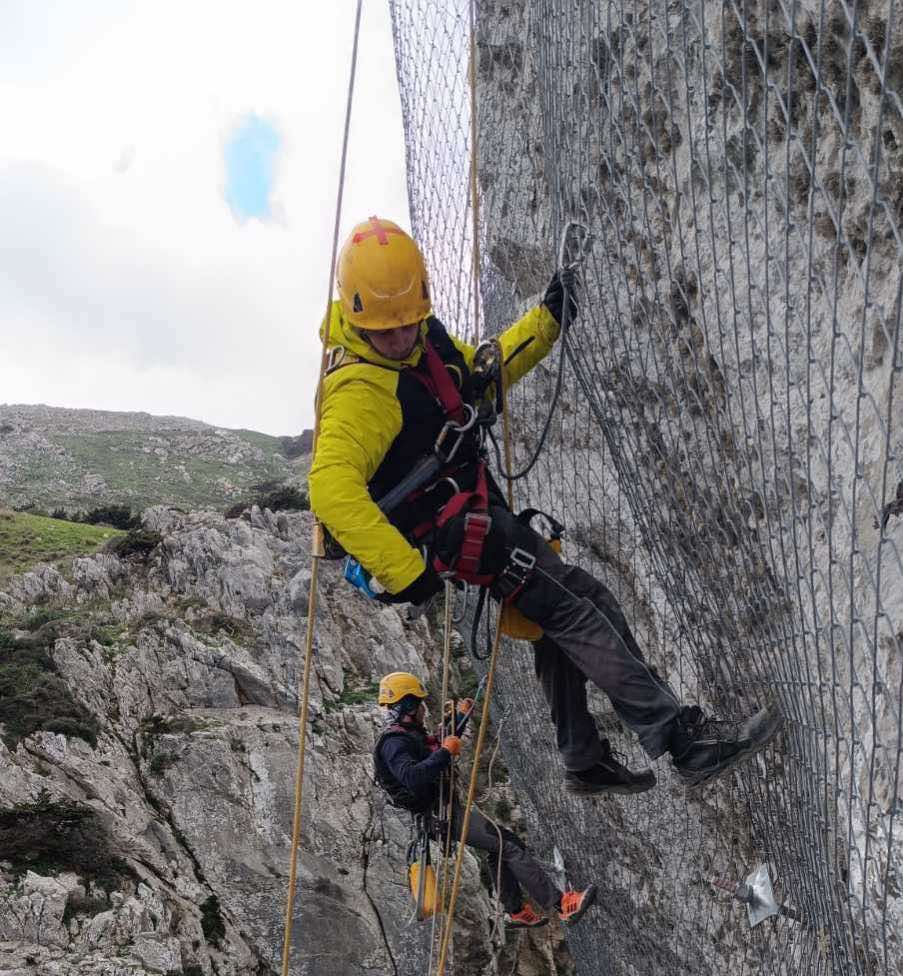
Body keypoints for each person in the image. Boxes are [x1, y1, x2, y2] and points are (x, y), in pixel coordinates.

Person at [310, 217, 782, 793]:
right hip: (461, 536)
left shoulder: (419, 345)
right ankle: (683, 743)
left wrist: (547, 321)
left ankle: (584, 758)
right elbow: (330, 489)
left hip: (478, 520)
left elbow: (478, 377)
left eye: (408, 323)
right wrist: (406, 572)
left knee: (569, 608)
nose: (401, 337)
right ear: (358, 321)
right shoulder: (360, 392)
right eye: (386, 332)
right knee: (576, 608)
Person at [373, 672, 596, 930]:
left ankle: (515, 911)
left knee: (499, 846)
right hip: (440, 815)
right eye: (420, 703)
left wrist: (460, 718)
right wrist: (446, 753)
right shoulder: (394, 743)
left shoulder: (407, 734)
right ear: (409, 705)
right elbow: (413, 776)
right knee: (507, 844)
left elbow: (436, 745)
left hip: (440, 811)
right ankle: (562, 905)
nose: (424, 707)